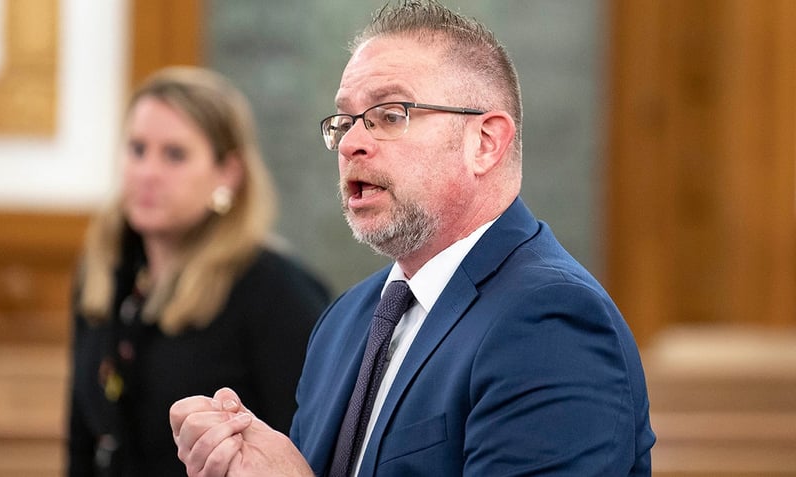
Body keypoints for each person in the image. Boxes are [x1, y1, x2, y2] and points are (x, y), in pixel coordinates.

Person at [170, 1, 656, 476]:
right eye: (345, 121)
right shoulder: (343, 323)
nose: (352, 143)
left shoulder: (551, 321)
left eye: (390, 114)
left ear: (484, 143)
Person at [67, 66, 331, 476]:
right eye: (137, 149)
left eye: (175, 155)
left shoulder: (277, 290)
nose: (148, 173)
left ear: (228, 173)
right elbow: (82, 438)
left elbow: (308, 450)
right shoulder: (103, 273)